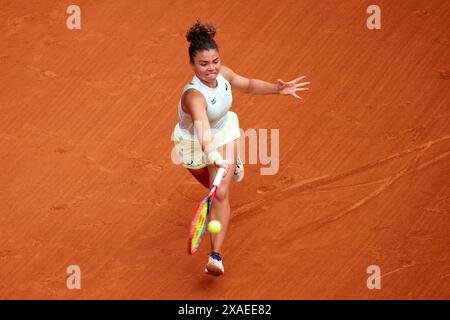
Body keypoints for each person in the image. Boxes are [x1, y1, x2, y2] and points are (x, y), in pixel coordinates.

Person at [172, 20, 310, 276]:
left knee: (221, 194)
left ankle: (215, 256)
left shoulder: (223, 74)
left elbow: (246, 85)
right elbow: (202, 129)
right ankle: (230, 162)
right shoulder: (194, 95)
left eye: (214, 62)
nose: (211, 68)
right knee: (210, 185)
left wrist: (277, 89)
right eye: (203, 64)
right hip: (194, 145)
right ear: (192, 65)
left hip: (223, 131)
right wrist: (214, 157)